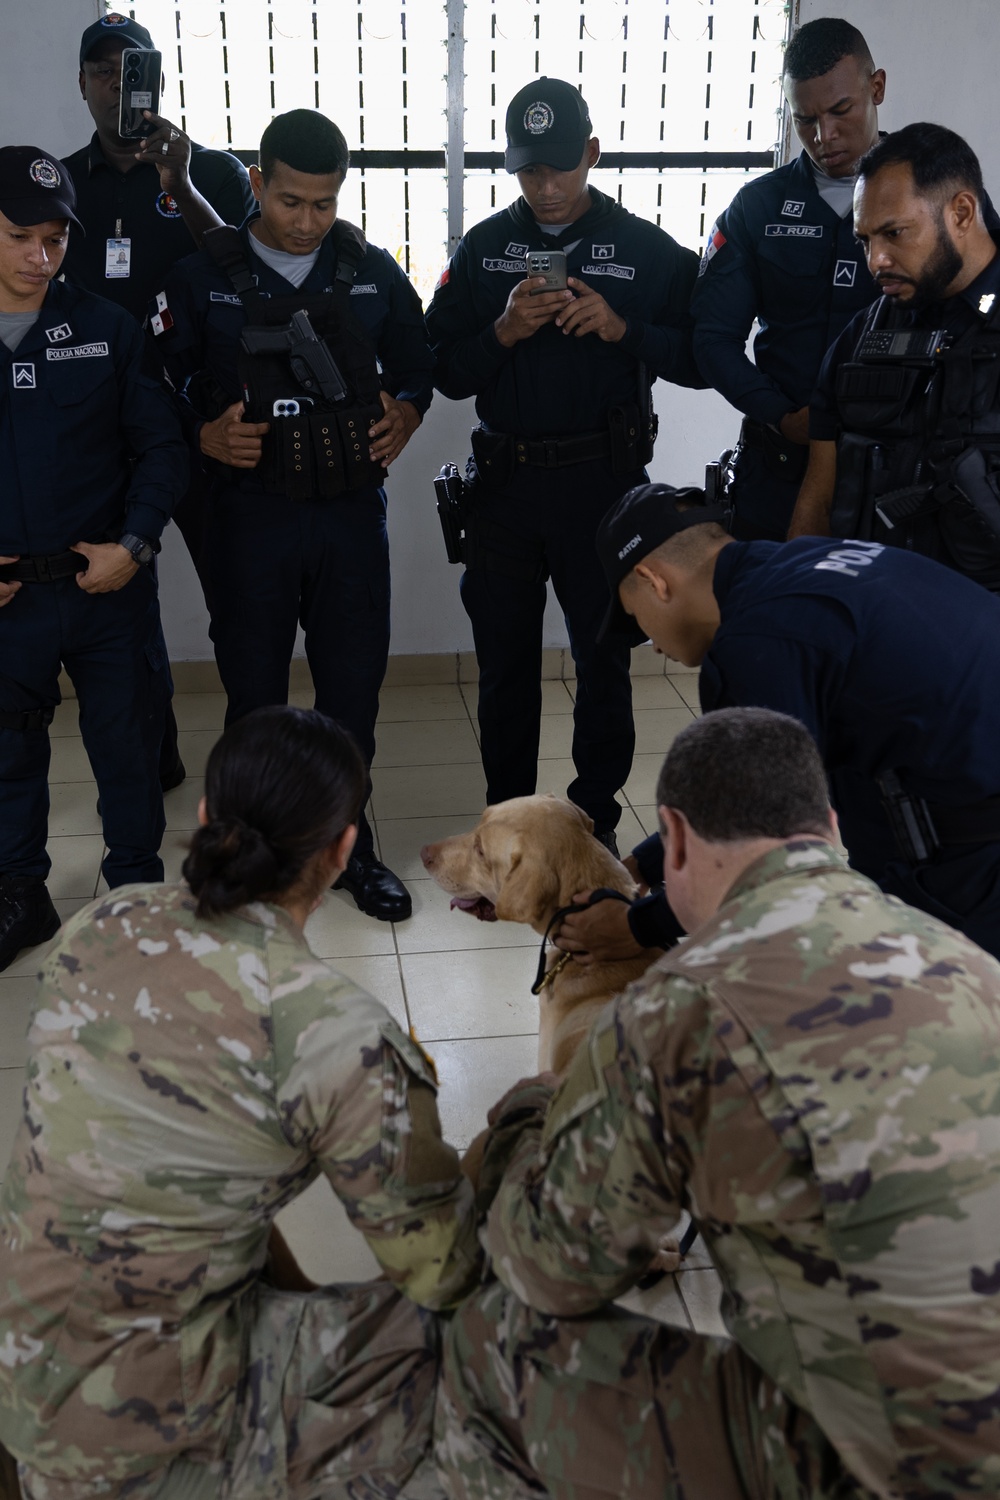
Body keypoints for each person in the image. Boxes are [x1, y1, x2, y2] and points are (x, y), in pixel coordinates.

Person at [435, 706, 1000, 1499]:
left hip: (886, 1460)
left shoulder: (677, 1015)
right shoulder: (970, 961)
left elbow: (552, 1271)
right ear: (831, 824)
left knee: (485, 1350)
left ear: (675, 840)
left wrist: (529, 1117)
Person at [0, 704, 480, 1498]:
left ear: (201, 817)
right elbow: (441, 1274)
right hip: (147, 1460)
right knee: (488, 1351)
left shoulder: (102, 923)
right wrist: (508, 1142)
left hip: (29, 1397)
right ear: (344, 848)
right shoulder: (336, 1033)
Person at [151, 108, 434, 922]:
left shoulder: (372, 270)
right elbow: (149, 388)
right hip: (250, 521)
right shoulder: (202, 276)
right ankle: (252, 850)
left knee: (353, 693)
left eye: (324, 203)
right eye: (290, 202)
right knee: (255, 697)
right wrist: (202, 434)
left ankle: (352, 846)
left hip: (349, 518)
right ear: (256, 183)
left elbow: (419, 367)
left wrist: (408, 414)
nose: (308, 222)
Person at [556, 481, 1000, 966]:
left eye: (634, 619)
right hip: (966, 798)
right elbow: (740, 792)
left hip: (972, 862)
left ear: (655, 581)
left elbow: (754, 850)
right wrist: (646, 862)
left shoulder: (752, 643)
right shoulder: (810, 563)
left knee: (887, 1020)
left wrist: (637, 928)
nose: (653, 644)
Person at [425, 77, 701, 853]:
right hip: (505, 489)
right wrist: (504, 331)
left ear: (590, 153)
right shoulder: (482, 250)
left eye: (559, 168)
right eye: (527, 172)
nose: (544, 188)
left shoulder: (646, 250)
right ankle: (508, 822)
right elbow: (443, 368)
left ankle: (594, 822)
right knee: (505, 668)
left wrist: (623, 328)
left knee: (603, 663)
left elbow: (700, 360)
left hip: (604, 491)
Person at [0, 145, 188, 974]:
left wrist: (136, 546)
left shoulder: (106, 329)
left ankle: (136, 894)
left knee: (126, 746)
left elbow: (163, 450)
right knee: (9, 754)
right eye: (19, 239)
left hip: (103, 583)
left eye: (55, 240)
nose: (42, 259)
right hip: (11, 604)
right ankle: (19, 895)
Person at [61, 12, 256, 792]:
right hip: (106, 430)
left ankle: (246, 770)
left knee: (240, 606)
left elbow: (251, 276)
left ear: (161, 81)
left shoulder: (215, 172)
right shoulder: (64, 184)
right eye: (102, 69)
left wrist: (183, 184)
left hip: (208, 423)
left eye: (132, 68)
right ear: (81, 84)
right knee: (122, 610)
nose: (117, 82)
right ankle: (157, 754)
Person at [691, 17, 887, 540]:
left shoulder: (934, 191)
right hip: (777, 470)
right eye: (806, 120)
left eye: (841, 111)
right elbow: (713, 339)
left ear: (877, 88)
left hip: (895, 478)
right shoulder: (757, 207)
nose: (825, 136)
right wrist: (781, 415)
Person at [790, 123, 1000, 593]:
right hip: (876, 624)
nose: (875, 260)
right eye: (865, 239)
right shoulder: (860, 339)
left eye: (894, 233)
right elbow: (819, 498)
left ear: (961, 213)